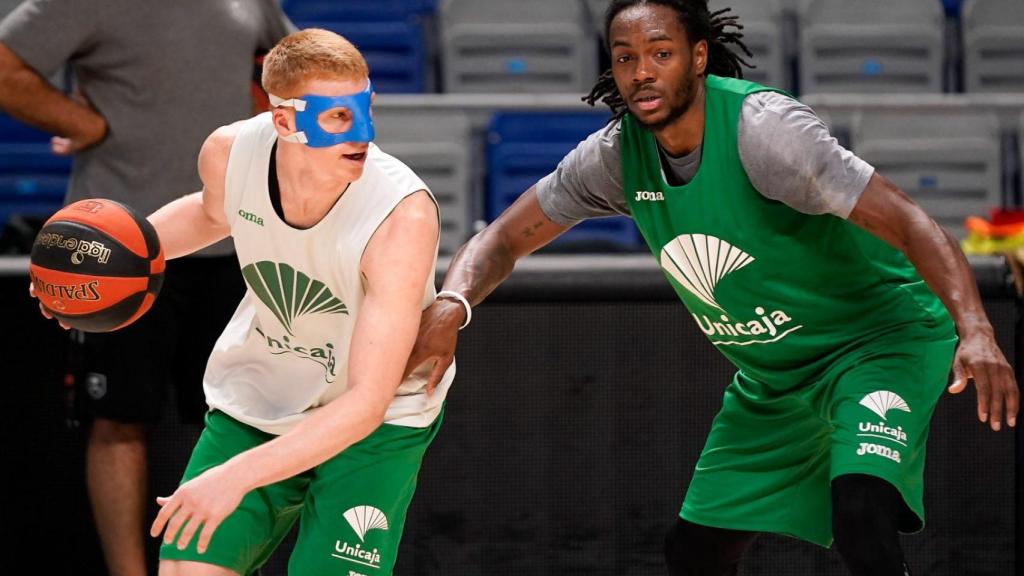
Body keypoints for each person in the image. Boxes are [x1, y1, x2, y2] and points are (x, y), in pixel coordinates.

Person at [405, 1, 1019, 575]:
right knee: (694, 550)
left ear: (698, 57)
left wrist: (977, 329)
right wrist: (452, 303)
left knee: (860, 509)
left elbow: (912, 221)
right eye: (625, 57)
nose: (641, 72)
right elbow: (503, 239)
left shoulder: (767, 134)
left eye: (660, 53)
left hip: (878, 340)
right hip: (775, 377)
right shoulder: (616, 156)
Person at [136, 28, 453, 576]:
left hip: (375, 423)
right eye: (337, 116)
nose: (362, 133)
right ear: (285, 120)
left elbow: (365, 404)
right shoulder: (231, 152)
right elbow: (213, 215)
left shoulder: (402, 216)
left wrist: (234, 477)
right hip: (265, 392)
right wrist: (122, 256)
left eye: (366, 108)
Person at [0, 2, 290, 574]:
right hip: (118, 249)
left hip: (240, 241)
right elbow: (5, 66)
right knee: (118, 417)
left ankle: (219, 568)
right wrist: (83, 123)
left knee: (243, 421)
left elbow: (289, 68)